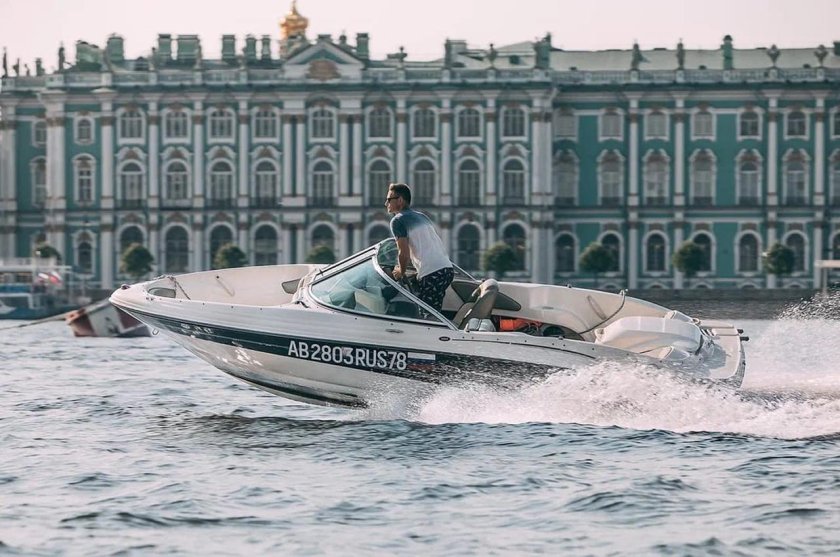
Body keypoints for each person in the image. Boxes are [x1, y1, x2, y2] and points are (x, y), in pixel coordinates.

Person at [385, 183, 454, 313]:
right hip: (446, 269)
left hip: (433, 272)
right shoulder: (422, 216)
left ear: (400, 200)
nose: (386, 203)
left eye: (389, 199)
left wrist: (400, 271)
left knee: (427, 315)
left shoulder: (397, 220)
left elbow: (403, 253)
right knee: (432, 309)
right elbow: (425, 246)